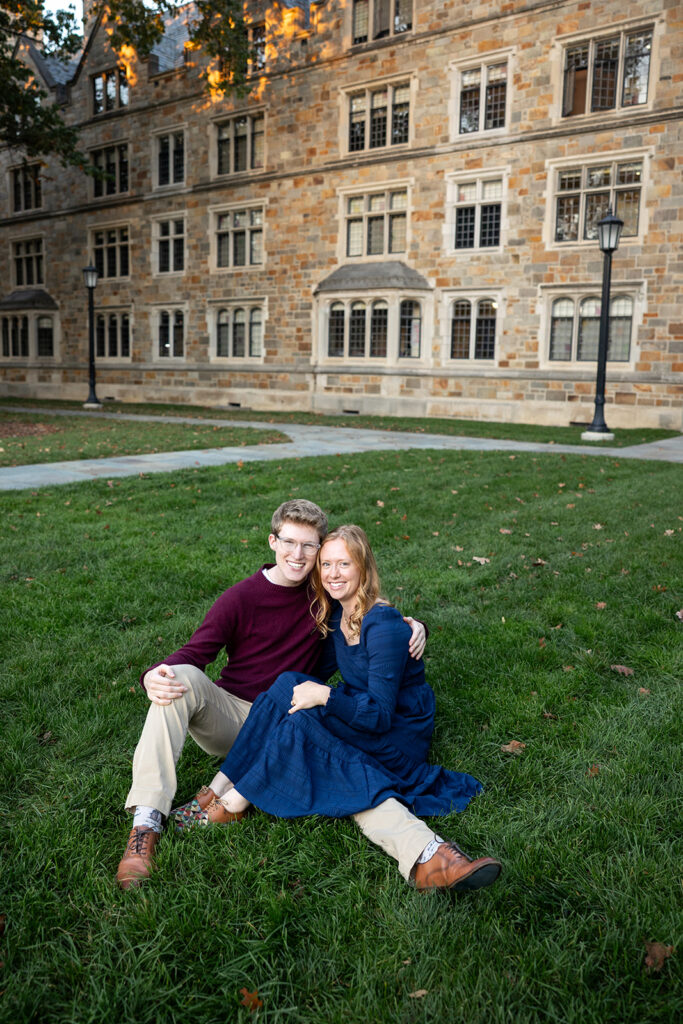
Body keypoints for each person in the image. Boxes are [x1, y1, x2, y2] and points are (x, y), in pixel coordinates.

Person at [117, 499, 430, 889]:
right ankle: (146, 825)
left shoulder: (325, 599)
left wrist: (412, 627)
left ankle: (425, 854)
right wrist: (152, 675)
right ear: (272, 541)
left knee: (339, 758)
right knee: (177, 679)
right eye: (289, 542)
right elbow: (195, 653)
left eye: (309, 546)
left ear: (319, 551)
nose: (297, 555)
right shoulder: (240, 598)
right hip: (234, 716)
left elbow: (368, 621)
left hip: (290, 714)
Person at [176, 525, 502, 893]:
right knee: (287, 685)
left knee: (301, 727)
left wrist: (326, 697)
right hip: (364, 713)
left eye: (344, 564)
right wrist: (294, 692)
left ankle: (232, 804)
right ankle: (218, 788)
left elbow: (379, 715)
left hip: (396, 734)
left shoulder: (382, 626)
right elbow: (306, 677)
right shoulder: (340, 614)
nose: (332, 574)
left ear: (363, 567)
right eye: (326, 564)